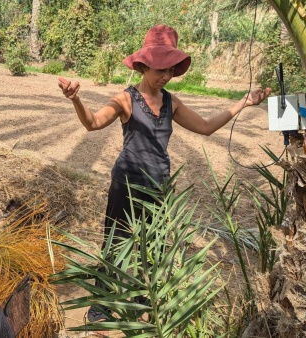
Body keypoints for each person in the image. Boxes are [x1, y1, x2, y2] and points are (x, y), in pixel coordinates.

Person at [58, 24, 270, 321]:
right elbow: (92, 123)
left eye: (170, 69)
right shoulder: (125, 99)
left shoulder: (172, 102)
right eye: (160, 69)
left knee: (153, 244)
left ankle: (147, 297)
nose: (166, 76)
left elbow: (207, 127)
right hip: (127, 183)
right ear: (143, 66)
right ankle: (101, 304)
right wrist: (75, 99)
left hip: (159, 184)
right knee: (115, 241)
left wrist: (243, 103)